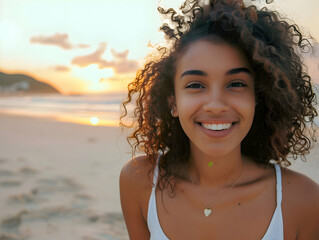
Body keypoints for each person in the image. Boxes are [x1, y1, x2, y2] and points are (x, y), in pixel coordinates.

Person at [119, 0, 319, 239]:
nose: (215, 105)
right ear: (173, 102)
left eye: (236, 84)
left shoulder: (303, 200)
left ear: (258, 96)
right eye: (195, 85)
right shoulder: (140, 181)